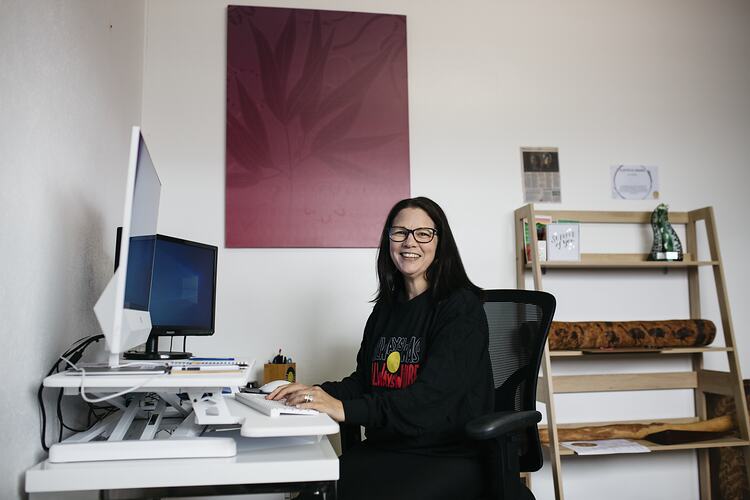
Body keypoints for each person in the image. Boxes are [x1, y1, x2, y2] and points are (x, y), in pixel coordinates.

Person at [269, 196, 494, 500]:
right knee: (312, 494)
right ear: (389, 241)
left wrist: (343, 409)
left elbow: (430, 400)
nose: (409, 242)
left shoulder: (460, 309)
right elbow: (365, 381)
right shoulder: (385, 311)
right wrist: (314, 393)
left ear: (441, 244)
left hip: (445, 455)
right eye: (399, 232)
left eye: (423, 233)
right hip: (387, 447)